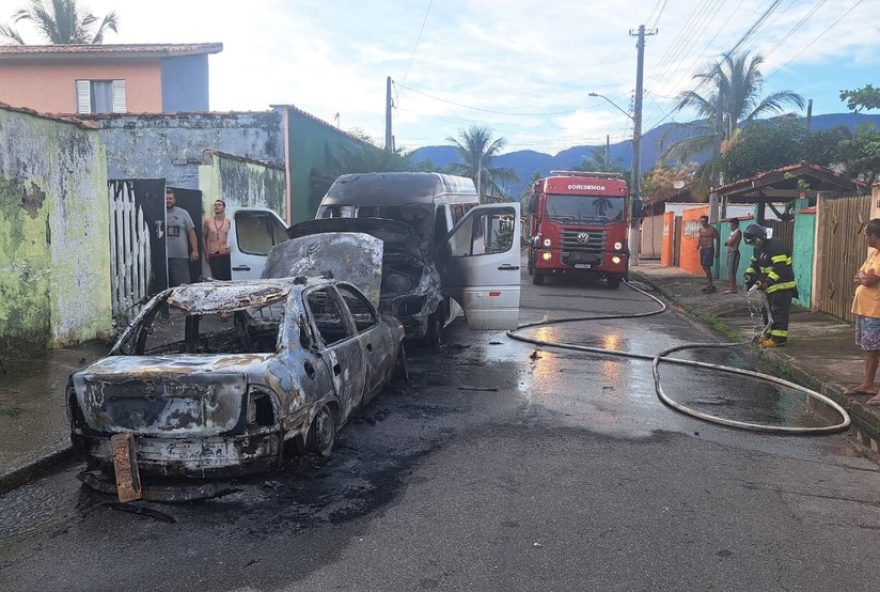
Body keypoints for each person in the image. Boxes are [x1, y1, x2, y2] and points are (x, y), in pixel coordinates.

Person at [742, 223, 798, 348]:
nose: (754, 244)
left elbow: (779, 268)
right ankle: (768, 335)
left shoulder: (775, 246)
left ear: (760, 237)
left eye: (755, 241)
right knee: (767, 312)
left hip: (782, 286)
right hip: (770, 288)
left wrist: (767, 282)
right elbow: (754, 265)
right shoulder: (758, 248)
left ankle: (779, 340)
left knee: (778, 313)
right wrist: (749, 275)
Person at [848, 218, 880, 404]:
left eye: (868, 235)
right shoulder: (874, 254)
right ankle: (867, 384)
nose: (866, 238)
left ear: (875, 236)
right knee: (870, 350)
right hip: (866, 310)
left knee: (878, 349)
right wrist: (864, 277)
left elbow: (869, 280)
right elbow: (859, 276)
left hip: (877, 310)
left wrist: (865, 278)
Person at [165, 188, 199, 287]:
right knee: (162, 287)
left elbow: (191, 232)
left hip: (180, 256)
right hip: (161, 258)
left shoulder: (183, 213)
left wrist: (195, 250)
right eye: (166, 198)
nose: (168, 201)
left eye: (170, 198)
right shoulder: (157, 213)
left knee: (182, 286)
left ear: (174, 200)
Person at [203, 199, 232, 280]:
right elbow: (203, 237)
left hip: (225, 254)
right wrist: (206, 254)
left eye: (219, 205)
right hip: (213, 254)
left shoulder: (228, 222)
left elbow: (232, 237)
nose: (216, 206)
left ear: (224, 208)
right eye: (215, 205)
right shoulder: (208, 221)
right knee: (217, 279)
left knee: (227, 279)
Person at [697, 215, 719, 293]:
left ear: (707, 221)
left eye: (704, 221)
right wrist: (697, 246)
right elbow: (700, 238)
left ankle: (710, 285)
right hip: (703, 249)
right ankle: (710, 285)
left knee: (706, 266)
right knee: (704, 266)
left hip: (709, 249)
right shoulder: (700, 229)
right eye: (701, 221)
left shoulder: (712, 229)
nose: (702, 223)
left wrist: (717, 251)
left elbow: (718, 239)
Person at [724, 218, 742, 294]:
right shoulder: (733, 232)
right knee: (730, 271)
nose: (730, 226)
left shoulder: (737, 232)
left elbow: (730, 242)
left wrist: (727, 242)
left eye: (732, 225)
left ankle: (732, 288)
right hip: (730, 252)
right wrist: (727, 242)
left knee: (731, 271)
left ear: (736, 225)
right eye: (730, 225)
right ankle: (732, 288)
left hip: (733, 252)